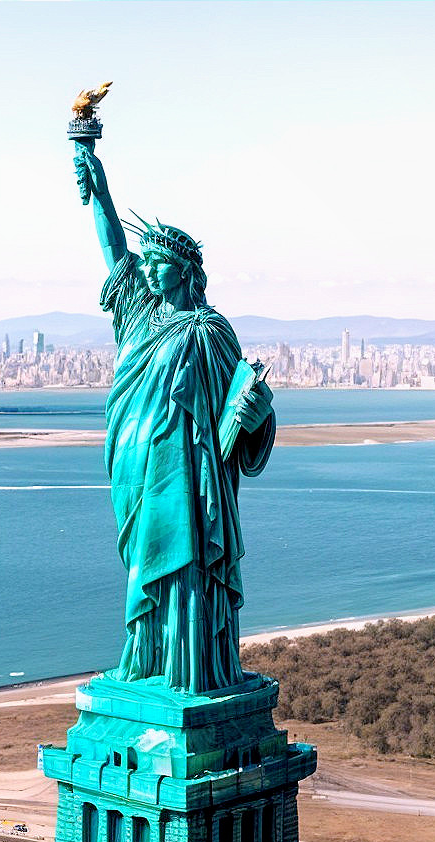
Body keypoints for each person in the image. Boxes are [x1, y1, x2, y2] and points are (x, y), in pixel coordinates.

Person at [73, 133, 276, 693]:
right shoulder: (140, 317)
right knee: (141, 564)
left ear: (185, 272)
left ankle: (189, 669)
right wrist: (101, 194)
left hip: (186, 477)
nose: (151, 272)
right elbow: (116, 255)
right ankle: (145, 658)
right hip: (135, 468)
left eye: (161, 264)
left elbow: (239, 411)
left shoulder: (211, 332)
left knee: (185, 563)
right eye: (151, 263)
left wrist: (257, 418)